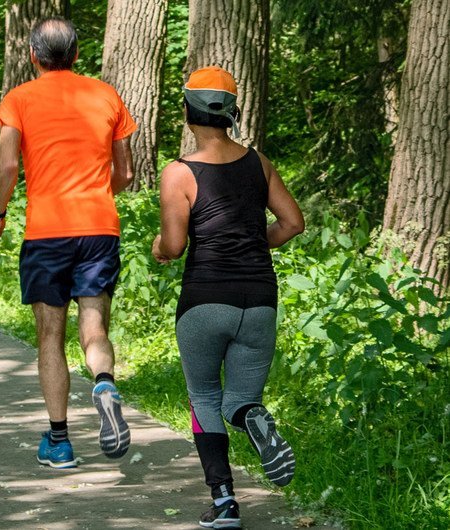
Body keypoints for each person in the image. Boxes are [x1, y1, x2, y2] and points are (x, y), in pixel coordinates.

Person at [152, 66, 305, 529]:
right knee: (238, 399)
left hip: (205, 299)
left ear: (187, 112)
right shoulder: (258, 162)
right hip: (259, 299)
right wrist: (254, 242)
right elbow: (293, 223)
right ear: (230, 112)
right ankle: (252, 416)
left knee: (203, 397)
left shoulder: (178, 172)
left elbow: (174, 246)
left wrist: (158, 248)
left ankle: (224, 503)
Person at [0, 17, 137, 469]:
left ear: (33, 55)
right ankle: (105, 383)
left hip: (47, 232)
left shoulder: (18, 100)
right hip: (98, 228)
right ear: (75, 55)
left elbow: (8, 166)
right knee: (95, 325)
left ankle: (60, 441)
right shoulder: (105, 94)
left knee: (50, 335)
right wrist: (96, 195)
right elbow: (124, 174)